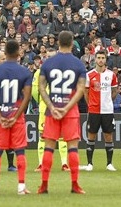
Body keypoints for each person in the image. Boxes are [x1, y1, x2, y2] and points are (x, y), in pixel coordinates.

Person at [37, 31, 87, 194]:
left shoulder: (48, 63)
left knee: (49, 147)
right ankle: (75, 184)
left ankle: (44, 185)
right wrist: (67, 107)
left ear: (58, 43)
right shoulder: (78, 64)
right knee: (72, 147)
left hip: (53, 110)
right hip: (70, 110)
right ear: (72, 43)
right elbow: (80, 89)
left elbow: (41, 87)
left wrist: (51, 106)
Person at [0, 40, 33, 195]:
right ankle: (21, 187)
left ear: (4, 53)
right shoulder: (25, 72)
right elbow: (27, 97)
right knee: (20, 151)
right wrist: (17, 115)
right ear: (19, 53)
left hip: (1, 116)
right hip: (16, 117)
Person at [82, 50, 119, 171]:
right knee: (91, 135)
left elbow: (114, 91)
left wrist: (109, 100)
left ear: (105, 59)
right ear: (95, 59)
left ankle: (109, 163)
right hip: (94, 110)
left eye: (103, 58)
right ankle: (89, 164)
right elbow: (86, 92)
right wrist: (90, 104)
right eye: (99, 57)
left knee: (108, 136)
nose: (101, 60)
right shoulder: (89, 75)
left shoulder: (111, 75)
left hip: (107, 110)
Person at [33, 52, 70, 172]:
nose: (49, 58)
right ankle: (42, 163)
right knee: (44, 136)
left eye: (51, 56)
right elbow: (34, 89)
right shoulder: (40, 72)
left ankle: (63, 163)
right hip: (50, 107)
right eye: (47, 56)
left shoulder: (56, 72)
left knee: (61, 136)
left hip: (56, 106)